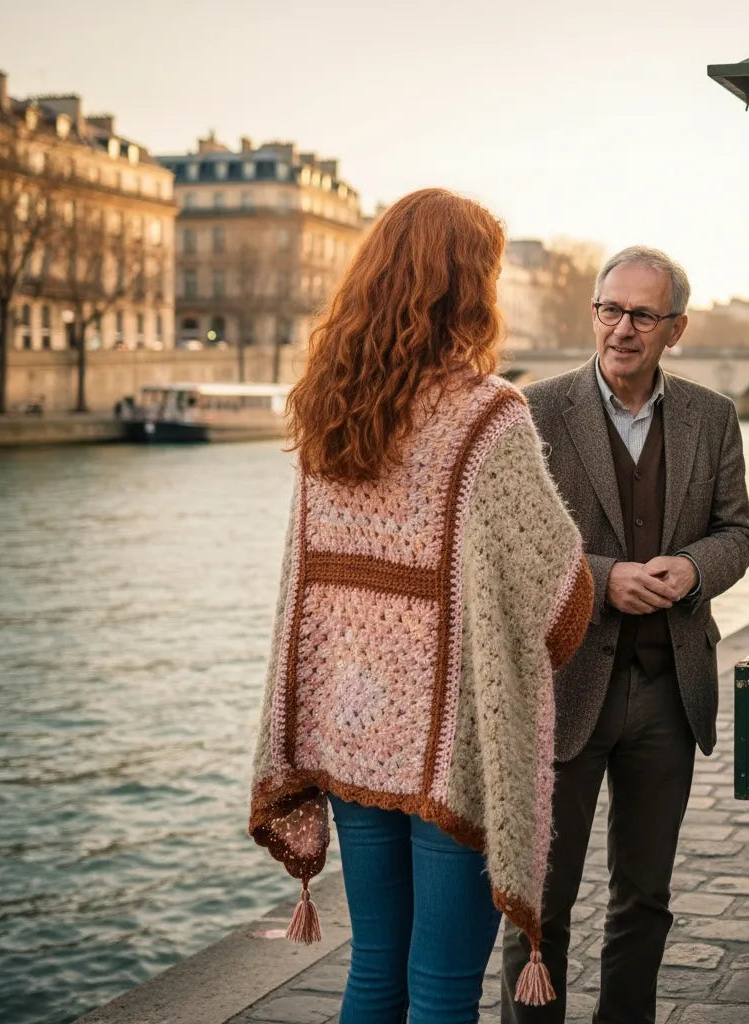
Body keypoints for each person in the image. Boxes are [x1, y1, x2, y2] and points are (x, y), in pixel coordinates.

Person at [248, 188, 594, 1024]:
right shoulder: (488, 418)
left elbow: (306, 590)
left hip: (351, 730)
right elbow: (562, 597)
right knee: (442, 988)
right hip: (450, 741)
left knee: (374, 966)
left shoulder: (325, 415)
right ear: (467, 287)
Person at [501, 246, 749, 1023]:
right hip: (564, 689)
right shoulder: (533, 411)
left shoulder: (712, 417)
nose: (622, 328)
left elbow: (737, 534)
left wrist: (691, 567)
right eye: (610, 309)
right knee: (540, 905)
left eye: (643, 315)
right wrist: (602, 577)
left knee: (644, 898)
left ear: (675, 329)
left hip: (668, 694)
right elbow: (509, 548)